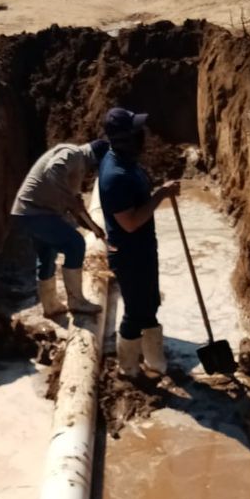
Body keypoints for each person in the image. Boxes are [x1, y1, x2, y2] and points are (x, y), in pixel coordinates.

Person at [98, 108, 180, 378]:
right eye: (136, 131)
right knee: (135, 311)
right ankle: (129, 368)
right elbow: (130, 222)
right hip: (128, 254)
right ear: (124, 138)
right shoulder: (115, 176)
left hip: (142, 248)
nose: (142, 135)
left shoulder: (127, 161)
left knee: (150, 303)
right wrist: (160, 195)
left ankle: (155, 361)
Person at [11, 139, 108, 317]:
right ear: (96, 160)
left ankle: (50, 306)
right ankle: (77, 301)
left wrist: (95, 229)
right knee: (75, 244)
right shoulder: (73, 153)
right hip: (36, 211)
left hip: (27, 212)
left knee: (47, 254)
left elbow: (77, 209)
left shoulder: (76, 167)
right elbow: (53, 170)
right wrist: (71, 201)